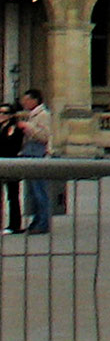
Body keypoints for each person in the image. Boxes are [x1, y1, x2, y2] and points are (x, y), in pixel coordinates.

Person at [18, 88, 51, 235]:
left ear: (34, 100)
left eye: (26, 100)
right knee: (33, 191)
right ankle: (37, 221)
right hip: (30, 153)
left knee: (39, 191)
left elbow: (44, 136)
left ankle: (42, 222)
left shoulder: (43, 115)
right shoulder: (35, 114)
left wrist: (28, 127)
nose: (24, 103)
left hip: (36, 154)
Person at [0, 101, 22, 233]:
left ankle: (14, 225)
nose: (2, 115)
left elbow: (14, 146)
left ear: (11, 115)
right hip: (1, 163)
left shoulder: (14, 128)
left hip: (11, 164)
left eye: (5, 113)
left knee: (12, 196)